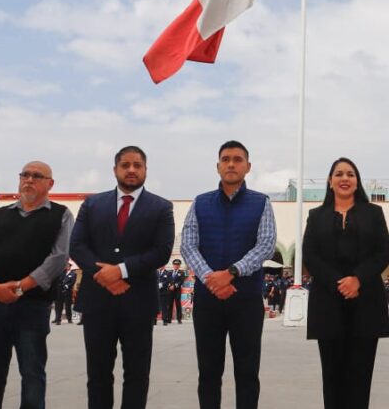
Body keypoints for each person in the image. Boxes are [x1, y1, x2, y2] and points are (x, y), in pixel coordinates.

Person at [70, 146, 175, 409]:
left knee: (137, 375)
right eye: (125, 165)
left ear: (145, 170)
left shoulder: (161, 207)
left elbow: (161, 252)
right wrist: (103, 275)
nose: (131, 170)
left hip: (138, 304)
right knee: (98, 375)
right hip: (97, 302)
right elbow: (78, 246)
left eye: (137, 165)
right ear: (115, 169)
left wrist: (121, 270)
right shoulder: (92, 204)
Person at [180, 140, 276, 409]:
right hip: (208, 301)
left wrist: (232, 273)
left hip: (246, 300)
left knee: (247, 373)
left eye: (237, 159)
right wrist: (211, 278)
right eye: (225, 159)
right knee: (208, 373)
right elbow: (187, 244)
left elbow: (266, 245)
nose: (231, 164)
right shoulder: (200, 203)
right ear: (217, 166)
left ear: (248, 166)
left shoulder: (261, 203)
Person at [0, 161, 74, 409]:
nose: (29, 180)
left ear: (50, 184)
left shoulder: (60, 215)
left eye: (37, 176)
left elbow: (59, 257)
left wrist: (21, 287)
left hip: (32, 307)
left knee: (32, 374)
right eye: (25, 175)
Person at [303, 157, 389, 409]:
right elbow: (310, 254)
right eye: (339, 174)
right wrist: (338, 282)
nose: (345, 178)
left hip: (366, 301)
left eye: (350, 174)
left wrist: (357, 279)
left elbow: (382, 252)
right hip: (327, 302)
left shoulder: (374, 213)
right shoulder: (316, 215)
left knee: (360, 375)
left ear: (357, 181)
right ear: (330, 182)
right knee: (332, 375)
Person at [165, 259, 186, 324]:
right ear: (173, 265)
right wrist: (169, 286)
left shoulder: (182, 272)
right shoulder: (169, 272)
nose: (176, 266)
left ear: (179, 266)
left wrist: (174, 286)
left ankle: (179, 319)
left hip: (177, 291)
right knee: (169, 304)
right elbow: (167, 280)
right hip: (170, 291)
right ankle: (169, 319)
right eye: (175, 265)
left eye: (177, 265)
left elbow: (181, 281)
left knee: (178, 305)